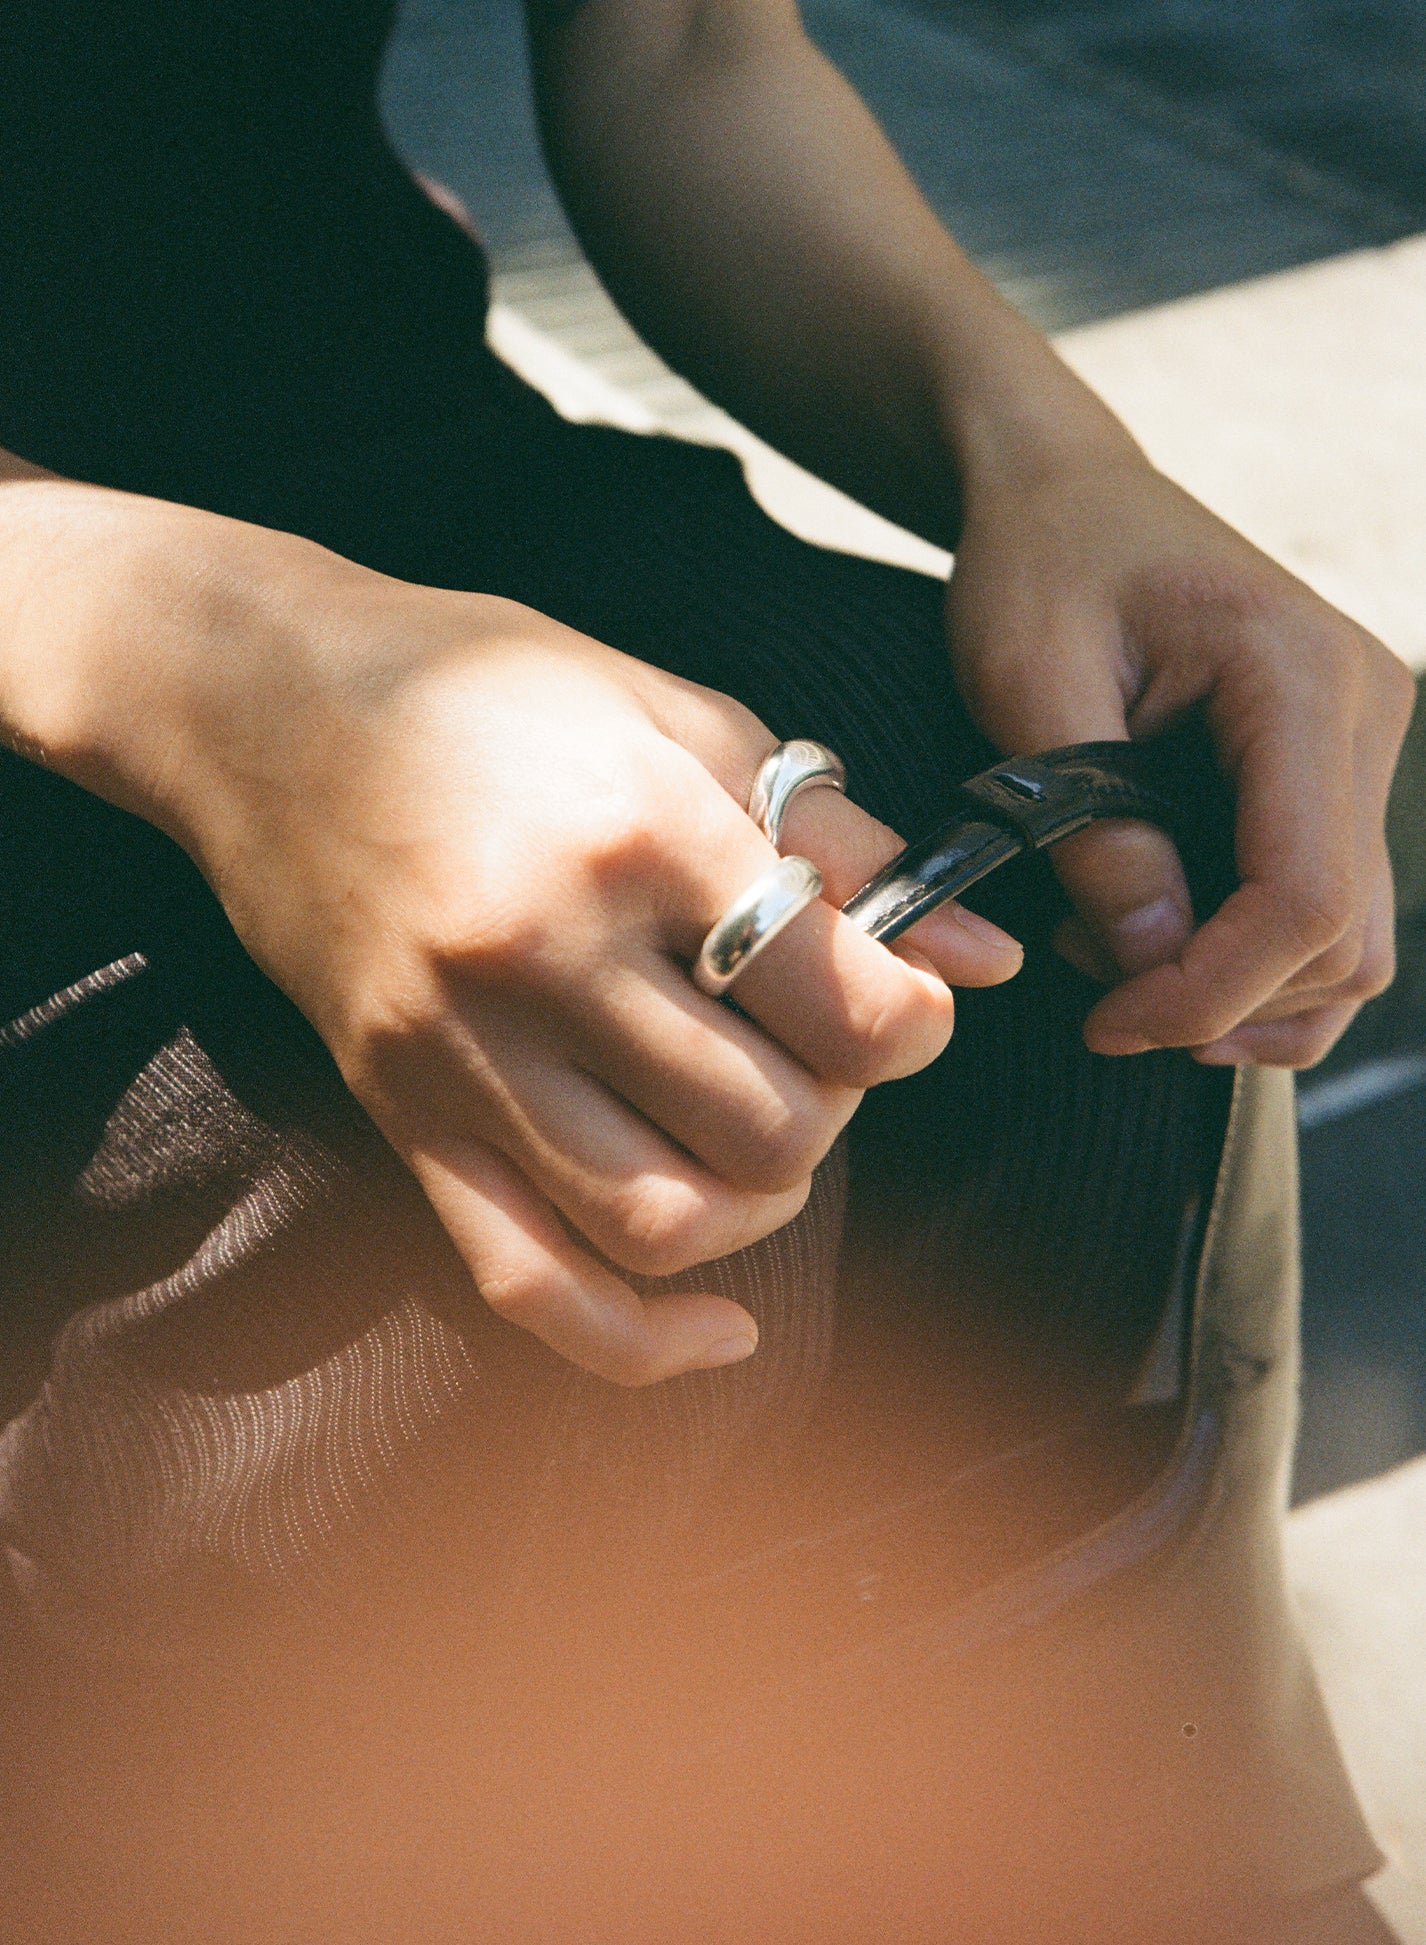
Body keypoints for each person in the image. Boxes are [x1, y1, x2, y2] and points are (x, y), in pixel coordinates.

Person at [0, 1, 1413, 1939]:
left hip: (375, 427)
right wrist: (217, 672)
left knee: (1052, 949)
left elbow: (681, 48)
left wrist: (1046, 456)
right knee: (466, 1202)